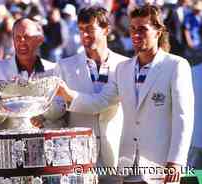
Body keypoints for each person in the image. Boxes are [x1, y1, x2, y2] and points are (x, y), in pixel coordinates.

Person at [57, 4, 193, 184]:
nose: (136, 34)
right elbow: (100, 101)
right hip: (128, 167)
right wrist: (67, 95)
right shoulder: (123, 68)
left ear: (158, 32)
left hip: (162, 167)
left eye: (143, 29)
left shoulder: (177, 65)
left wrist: (176, 161)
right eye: (133, 29)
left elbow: (184, 117)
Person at [55, 6, 128, 184]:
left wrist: (68, 95)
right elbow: (56, 111)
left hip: (118, 158)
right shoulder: (64, 66)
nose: (85, 35)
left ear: (106, 30)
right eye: (81, 30)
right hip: (78, 159)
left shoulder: (125, 65)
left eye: (90, 29)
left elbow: (103, 103)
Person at [0, 17, 65, 130]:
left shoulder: (54, 69)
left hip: (44, 140)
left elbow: (61, 110)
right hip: (9, 141)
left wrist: (42, 118)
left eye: (27, 37)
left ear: (39, 40)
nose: (21, 42)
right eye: (17, 38)